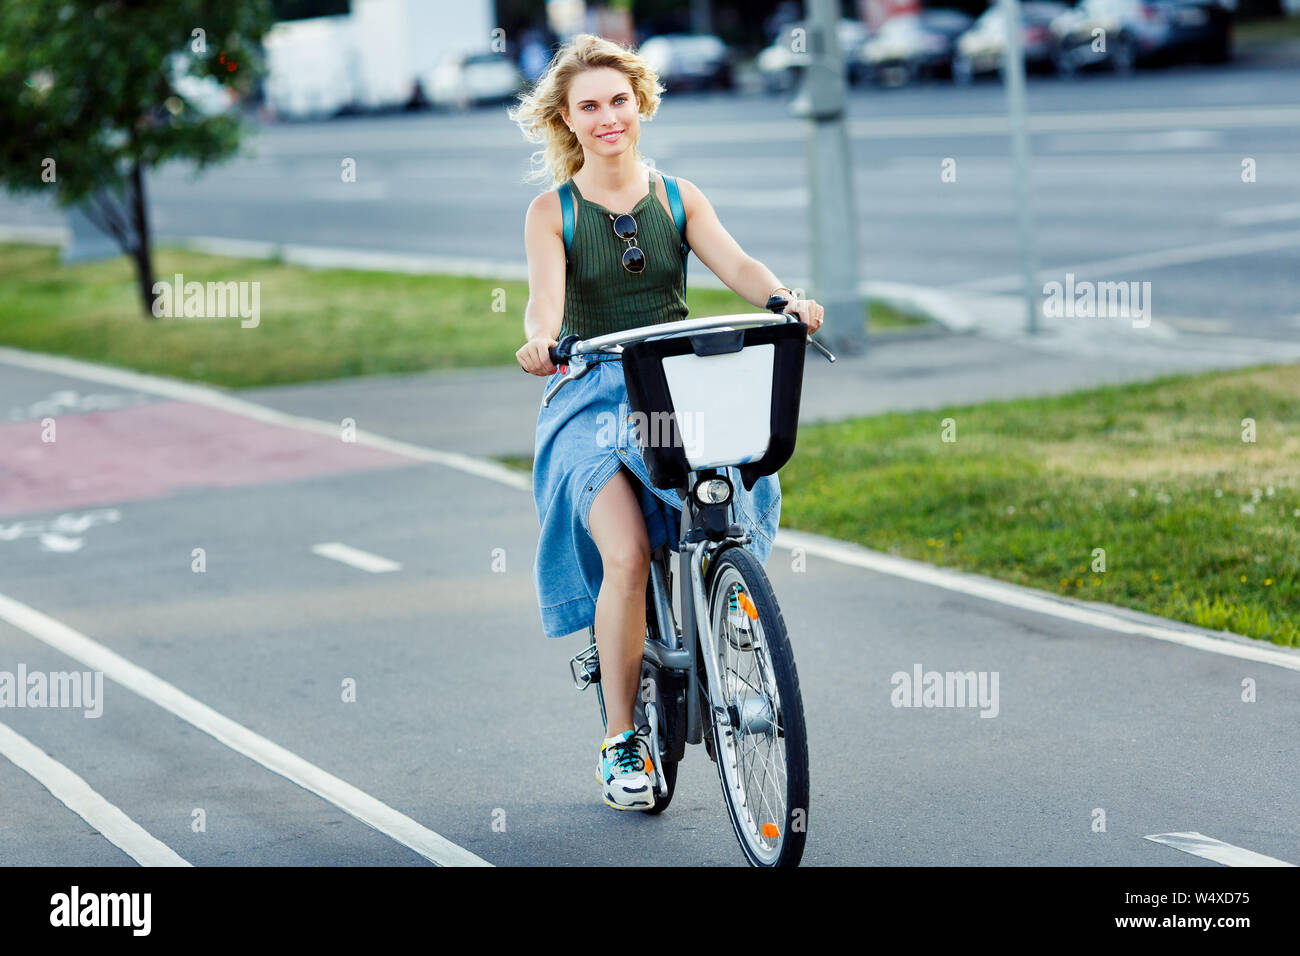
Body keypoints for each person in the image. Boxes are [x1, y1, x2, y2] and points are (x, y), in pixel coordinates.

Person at [507, 33, 823, 812]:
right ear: (567, 120)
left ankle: (727, 613)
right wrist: (541, 340)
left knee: (727, 516)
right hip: (590, 394)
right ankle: (621, 738)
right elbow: (543, 302)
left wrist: (783, 300)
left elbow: (739, 265)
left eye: (619, 100)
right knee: (627, 553)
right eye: (590, 107)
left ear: (639, 102)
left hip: (672, 387)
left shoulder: (679, 197)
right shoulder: (554, 211)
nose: (608, 117)